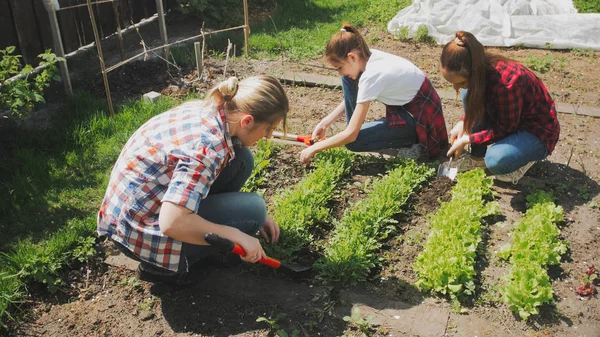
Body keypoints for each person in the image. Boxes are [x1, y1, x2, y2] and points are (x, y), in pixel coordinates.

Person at [97, 76, 289, 286]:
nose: (269, 136)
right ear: (247, 121)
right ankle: (161, 268)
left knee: (242, 160)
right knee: (255, 210)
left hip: (127, 216)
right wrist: (236, 233)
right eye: (268, 129)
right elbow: (172, 223)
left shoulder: (211, 109)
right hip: (139, 233)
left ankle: (207, 241)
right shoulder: (208, 147)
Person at [299, 24, 449, 164]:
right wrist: (326, 122)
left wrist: (316, 148)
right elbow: (358, 97)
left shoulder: (371, 75)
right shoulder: (369, 58)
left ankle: (415, 143)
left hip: (421, 122)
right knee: (348, 78)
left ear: (351, 57)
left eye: (339, 67)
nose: (339, 72)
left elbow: (351, 135)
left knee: (353, 141)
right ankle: (362, 127)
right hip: (408, 110)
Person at [440, 31, 560, 184]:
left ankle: (524, 159)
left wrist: (469, 138)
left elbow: (505, 128)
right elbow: (483, 106)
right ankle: (478, 159)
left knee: (496, 161)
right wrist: (464, 122)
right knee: (468, 93)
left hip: (537, 131)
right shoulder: (480, 70)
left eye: (460, 82)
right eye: (452, 82)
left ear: (474, 73)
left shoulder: (508, 83)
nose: (455, 87)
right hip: (512, 118)